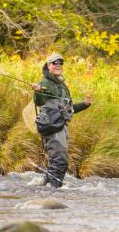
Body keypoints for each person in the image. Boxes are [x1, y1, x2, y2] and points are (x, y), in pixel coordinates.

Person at [31, 53, 92, 188]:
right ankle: (54, 190)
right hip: (51, 127)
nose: (58, 65)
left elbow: (68, 109)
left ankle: (46, 186)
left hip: (60, 126)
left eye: (60, 63)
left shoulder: (61, 85)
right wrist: (37, 91)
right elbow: (39, 102)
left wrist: (85, 104)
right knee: (60, 162)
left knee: (56, 161)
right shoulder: (44, 83)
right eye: (54, 63)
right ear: (48, 66)